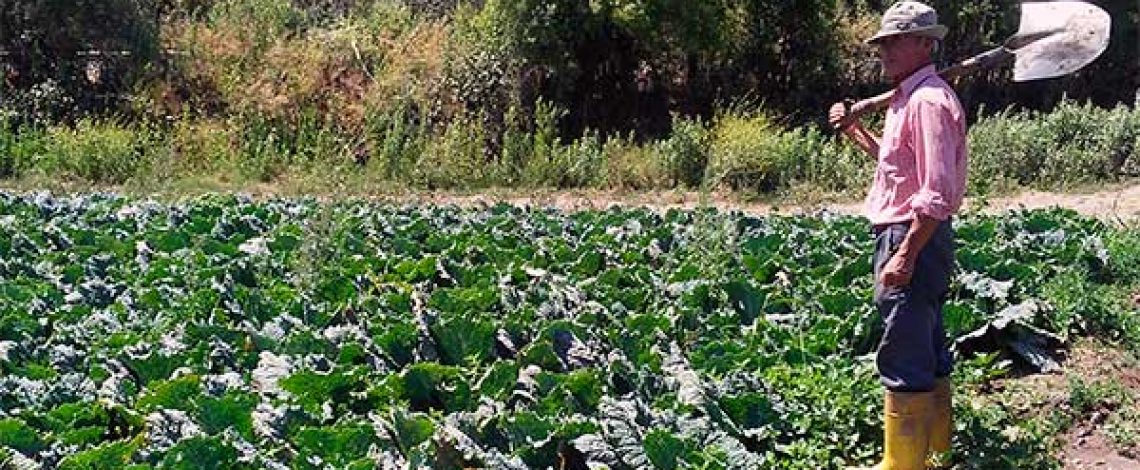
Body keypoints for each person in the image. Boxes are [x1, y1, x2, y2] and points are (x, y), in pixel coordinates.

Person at [829, 2, 967, 469]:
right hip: (914, 233)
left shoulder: (927, 101)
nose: (884, 49)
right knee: (926, 342)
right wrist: (854, 131)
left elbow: (934, 192)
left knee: (904, 349)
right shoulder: (907, 98)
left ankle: (904, 464)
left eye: (895, 40)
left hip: (912, 235)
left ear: (925, 44)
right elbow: (896, 167)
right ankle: (938, 450)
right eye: (882, 41)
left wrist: (905, 254)